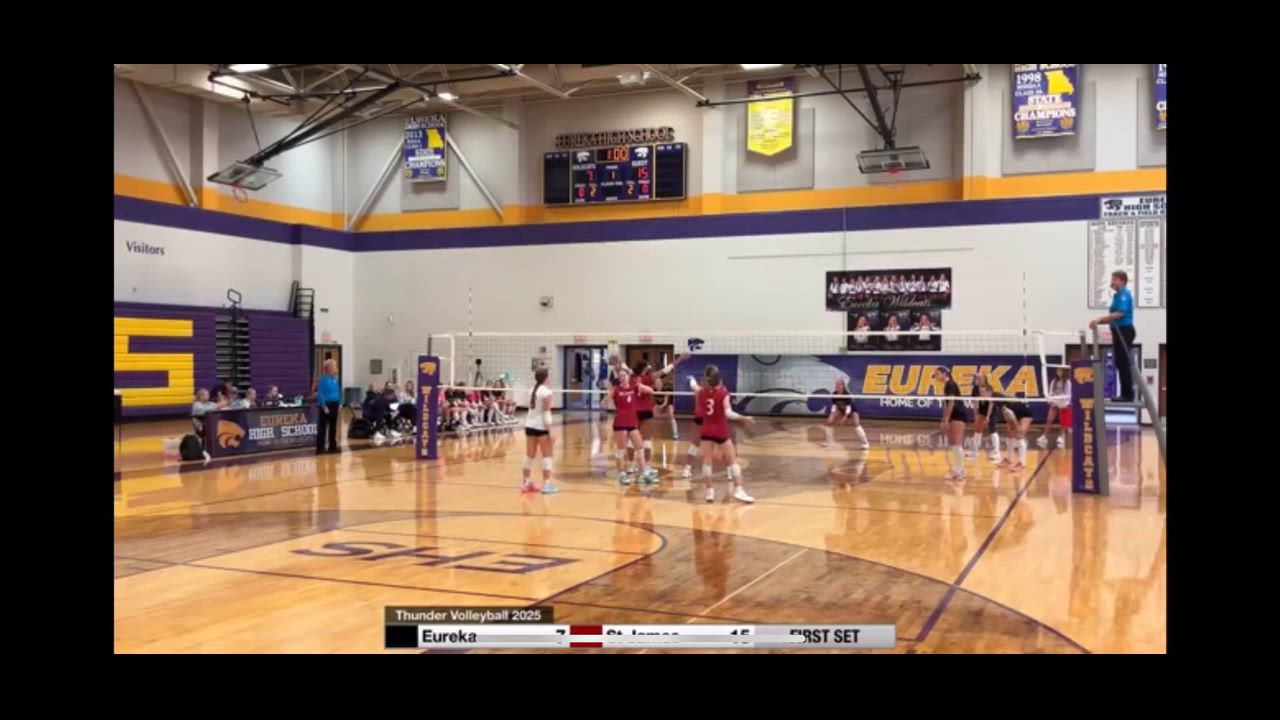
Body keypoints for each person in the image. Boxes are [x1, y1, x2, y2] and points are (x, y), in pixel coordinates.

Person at [697, 365, 756, 503]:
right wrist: (743, 417)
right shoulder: (723, 393)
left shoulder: (701, 393)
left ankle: (709, 492)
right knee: (732, 460)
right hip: (720, 430)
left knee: (707, 461)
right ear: (719, 380)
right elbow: (728, 413)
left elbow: (696, 388)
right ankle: (738, 489)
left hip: (706, 429)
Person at [1089, 270, 1136, 402]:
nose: (1112, 282)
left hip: (1124, 331)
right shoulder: (1117, 296)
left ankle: (1128, 394)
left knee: (1123, 362)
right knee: (1120, 362)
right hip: (1118, 331)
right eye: (1112, 279)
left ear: (1122, 281)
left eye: (1115, 279)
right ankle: (1126, 393)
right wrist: (1099, 322)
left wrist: (1100, 319)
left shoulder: (1124, 295)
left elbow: (1120, 313)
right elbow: (1113, 316)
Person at [521, 367, 557, 494]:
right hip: (541, 427)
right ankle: (546, 485)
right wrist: (550, 430)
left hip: (529, 425)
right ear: (546, 377)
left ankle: (526, 483)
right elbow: (546, 413)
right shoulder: (546, 392)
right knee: (547, 455)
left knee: (529, 455)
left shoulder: (532, 390)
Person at [934, 366, 970, 481]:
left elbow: (951, 403)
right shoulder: (946, 386)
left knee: (956, 443)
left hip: (958, 415)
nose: (936, 376)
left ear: (945, 374)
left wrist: (946, 419)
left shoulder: (950, 384)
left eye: (937, 374)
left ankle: (959, 472)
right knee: (954, 443)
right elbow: (946, 404)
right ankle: (959, 470)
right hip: (953, 416)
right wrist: (944, 419)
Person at [824, 378, 870, 449]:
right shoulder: (834, 394)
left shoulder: (847, 394)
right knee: (829, 422)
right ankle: (828, 441)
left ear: (843, 386)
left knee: (856, 424)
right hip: (840, 409)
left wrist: (844, 418)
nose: (837, 386)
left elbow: (849, 408)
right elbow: (834, 406)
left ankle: (865, 442)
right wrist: (833, 415)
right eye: (836, 385)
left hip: (852, 410)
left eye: (839, 384)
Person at [1039, 367, 1071, 450]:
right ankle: (1044, 436)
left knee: (1062, 420)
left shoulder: (1067, 383)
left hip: (1063, 403)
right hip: (1054, 402)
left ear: (1064, 372)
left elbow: (1068, 394)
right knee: (1049, 419)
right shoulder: (1054, 381)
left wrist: (1065, 404)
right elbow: (1050, 392)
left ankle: (1061, 437)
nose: (1058, 372)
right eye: (1058, 371)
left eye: (1060, 371)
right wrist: (1051, 400)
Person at [316, 358, 341, 454]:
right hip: (327, 405)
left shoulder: (335, 379)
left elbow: (338, 392)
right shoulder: (323, 379)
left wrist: (340, 403)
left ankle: (332, 446)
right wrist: (324, 406)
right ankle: (320, 448)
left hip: (335, 405)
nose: (336, 367)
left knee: (333, 427)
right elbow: (320, 393)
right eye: (334, 366)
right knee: (323, 427)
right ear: (329, 368)